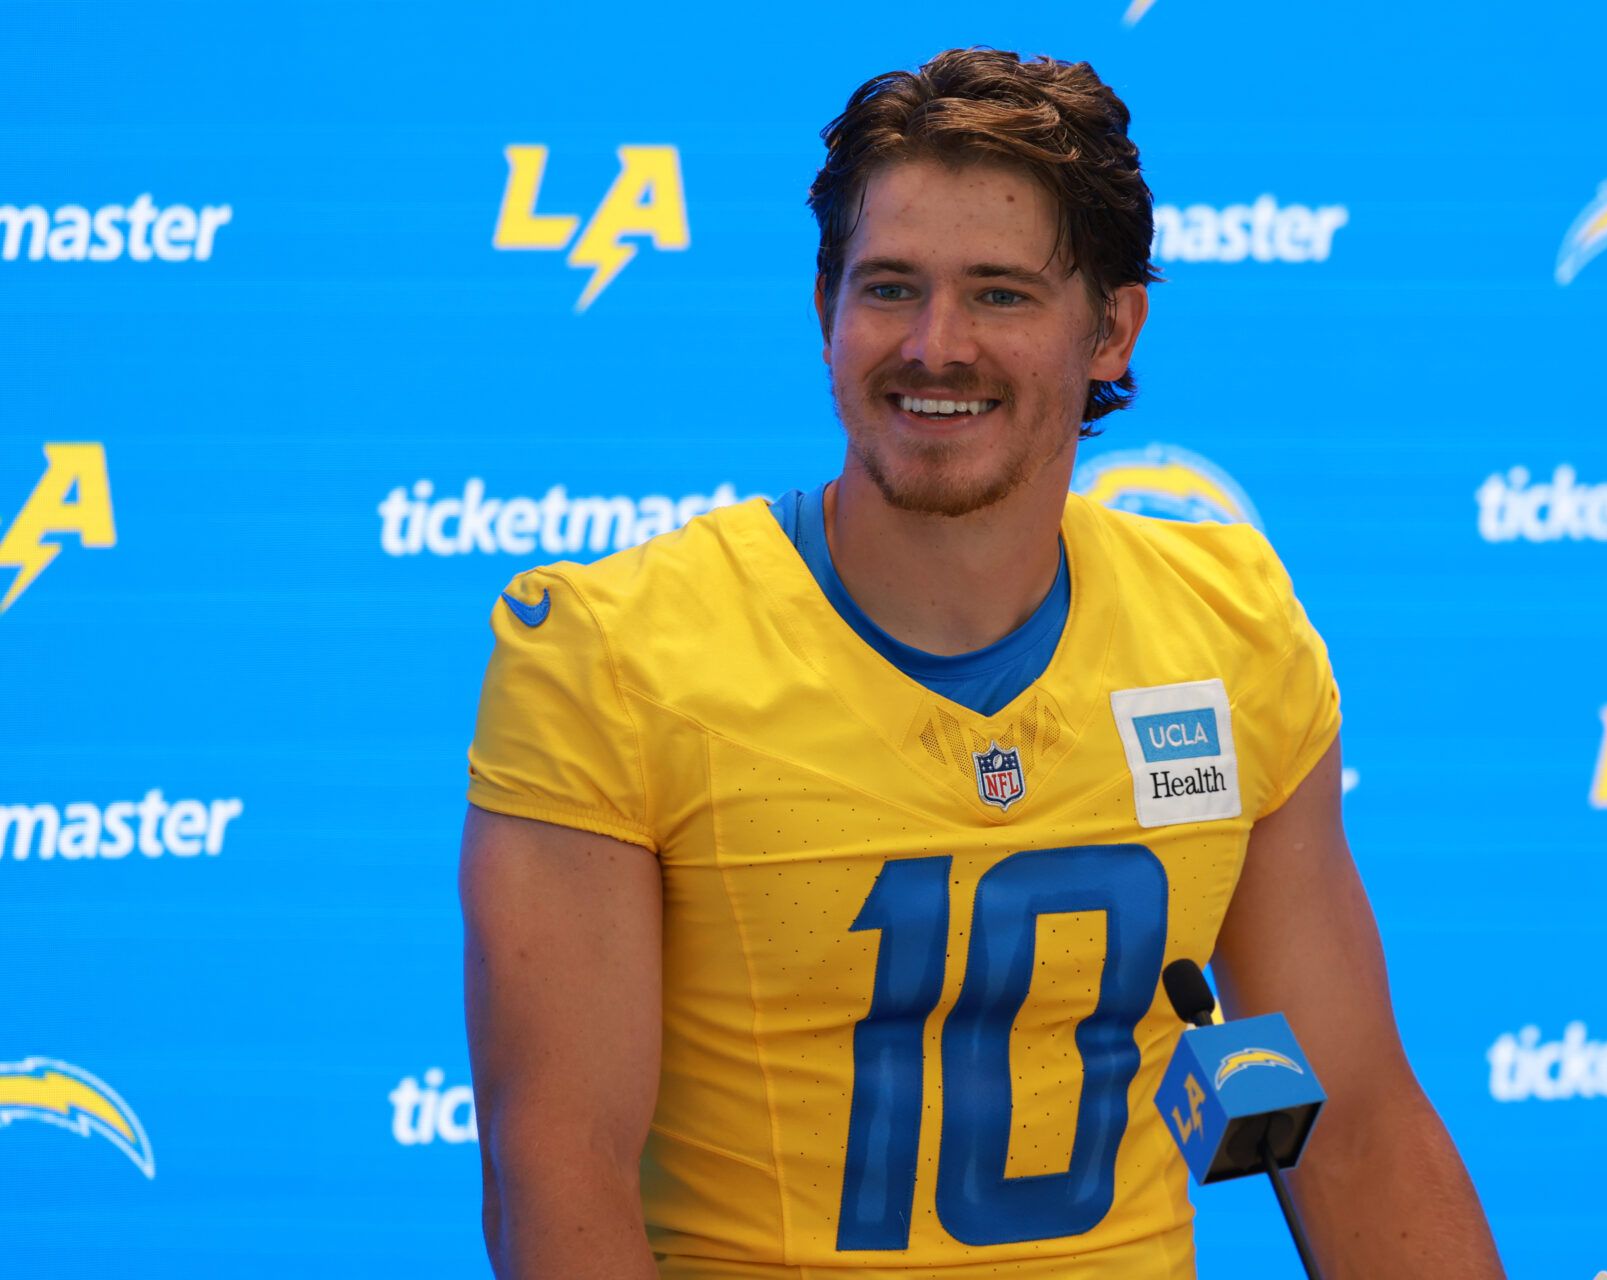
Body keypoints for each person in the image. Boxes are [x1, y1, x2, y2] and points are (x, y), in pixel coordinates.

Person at [459, 47, 1504, 1280]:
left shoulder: (1228, 631)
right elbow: (559, 1170)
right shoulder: (610, 653)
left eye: (1001, 294)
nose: (935, 346)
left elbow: (1354, 1127)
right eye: (891, 287)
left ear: (1112, 327)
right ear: (825, 313)